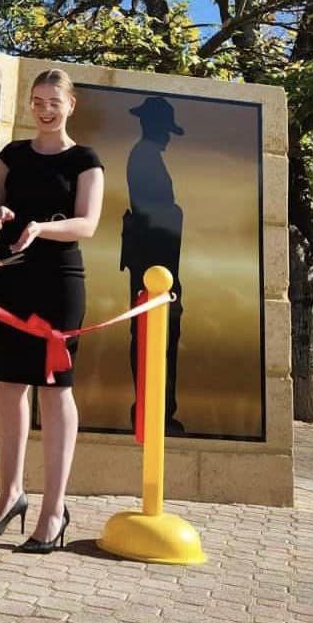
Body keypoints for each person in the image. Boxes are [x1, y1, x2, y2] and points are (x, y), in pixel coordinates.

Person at [0, 68, 103, 553]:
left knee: (54, 388)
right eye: (38, 101)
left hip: (58, 283)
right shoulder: (13, 153)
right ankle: (10, 495)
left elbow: (87, 224)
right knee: (8, 385)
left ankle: (53, 510)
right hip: (10, 277)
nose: (45, 110)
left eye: (54, 102)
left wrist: (40, 228)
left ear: (71, 105)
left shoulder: (86, 160)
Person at [121, 95, 186, 435]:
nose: (167, 137)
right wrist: (176, 214)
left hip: (156, 263)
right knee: (154, 336)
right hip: (153, 266)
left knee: (159, 336)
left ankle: (157, 409)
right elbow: (155, 214)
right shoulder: (145, 158)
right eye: (165, 129)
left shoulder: (146, 157)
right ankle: (154, 410)